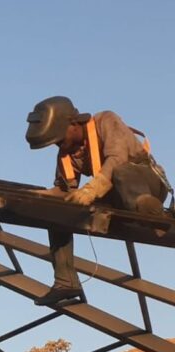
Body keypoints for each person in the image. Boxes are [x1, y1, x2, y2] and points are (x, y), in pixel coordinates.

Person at [25, 96, 172, 306]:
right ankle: (65, 282)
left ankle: (149, 212)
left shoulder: (106, 121)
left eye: (59, 139)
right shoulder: (68, 153)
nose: (58, 144)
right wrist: (41, 199)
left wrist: (92, 189)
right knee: (56, 211)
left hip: (144, 182)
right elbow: (63, 189)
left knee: (121, 173)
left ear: (73, 124)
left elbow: (117, 159)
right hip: (114, 196)